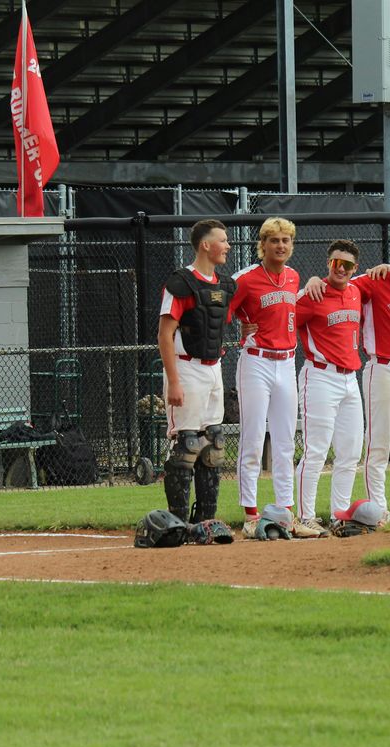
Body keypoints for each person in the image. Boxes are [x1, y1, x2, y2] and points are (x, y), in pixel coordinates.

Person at [305, 239, 390, 521]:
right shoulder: (372, 280)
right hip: (383, 366)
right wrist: (314, 278)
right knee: (379, 444)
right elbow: (339, 282)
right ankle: (379, 509)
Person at [231, 217, 316, 538]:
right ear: (262, 244)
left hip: (286, 363)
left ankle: (285, 512)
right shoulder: (247, 279)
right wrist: (240, 321)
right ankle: (251, 515)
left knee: (284, 442)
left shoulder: (293, 277)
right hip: (256, 362)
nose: (281, 246)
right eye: (274, 240)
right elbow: (223, 309)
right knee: (252, 440)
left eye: (286, 240)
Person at [156, 219, 235, 525]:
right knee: (187, 444)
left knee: (213, 442)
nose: (228, 246)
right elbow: (164, 334)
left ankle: (205, 521)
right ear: (206, 245)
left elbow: (223, 319)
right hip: (185, 367)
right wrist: (173, 381)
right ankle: (177, 522)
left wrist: (248, 326)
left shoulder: (224, 285)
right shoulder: (181, 283)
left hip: (213, 368)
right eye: (223, 240)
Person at [292, 240, 364, 535]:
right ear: (328, 263)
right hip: (319, 376)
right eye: (336, 263)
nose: (341, 269)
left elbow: (382, 277)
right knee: (316, 451)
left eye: (347, 265)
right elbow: (283, 315)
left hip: (350, 379)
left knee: (349, 453)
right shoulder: (313, 293)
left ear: (355, 268)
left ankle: (339, 515)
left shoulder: (357, 290)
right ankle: (305, 516)